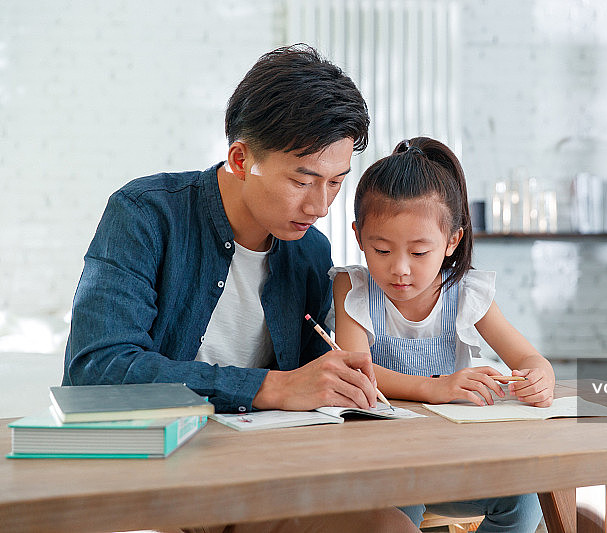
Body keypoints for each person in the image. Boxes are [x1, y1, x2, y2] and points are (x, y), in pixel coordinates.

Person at [62, 44, 418, 533]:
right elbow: (95, 371)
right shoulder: (146, 214)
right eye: (303, 179)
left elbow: (315, 387)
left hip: (263, 479)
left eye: (336, 183)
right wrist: (271, 386)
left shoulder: (310, 252)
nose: (320, 205)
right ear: (240, 158)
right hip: (153, 474)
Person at [329, 137, 555, 532]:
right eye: (381, 250)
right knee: (397, 511)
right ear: (359, 236)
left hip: (456, 457)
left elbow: (529, 359)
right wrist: (436, 387)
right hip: (384, 462)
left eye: (419, 253)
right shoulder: (353, 289)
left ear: (452, 241)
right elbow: (356, 372)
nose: (400, 269)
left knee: (525, 499)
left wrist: (539, 376)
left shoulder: (467, 292)